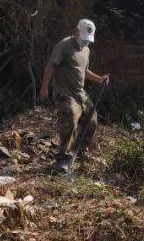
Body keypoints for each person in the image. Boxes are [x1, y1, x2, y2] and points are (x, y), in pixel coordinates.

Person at [39, 18, 108, 173]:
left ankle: (81, 151)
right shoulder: (64, 46)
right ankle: (62, 160)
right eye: (83, 38)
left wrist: (100, 79)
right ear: (77, 31)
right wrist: (44, 88)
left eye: (88, 40)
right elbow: (51, 66)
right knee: (69, 120)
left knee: (92, 120)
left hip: (79, 92)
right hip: (64, 93)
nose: (86, 42)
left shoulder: (86, 49)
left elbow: (84, 71)